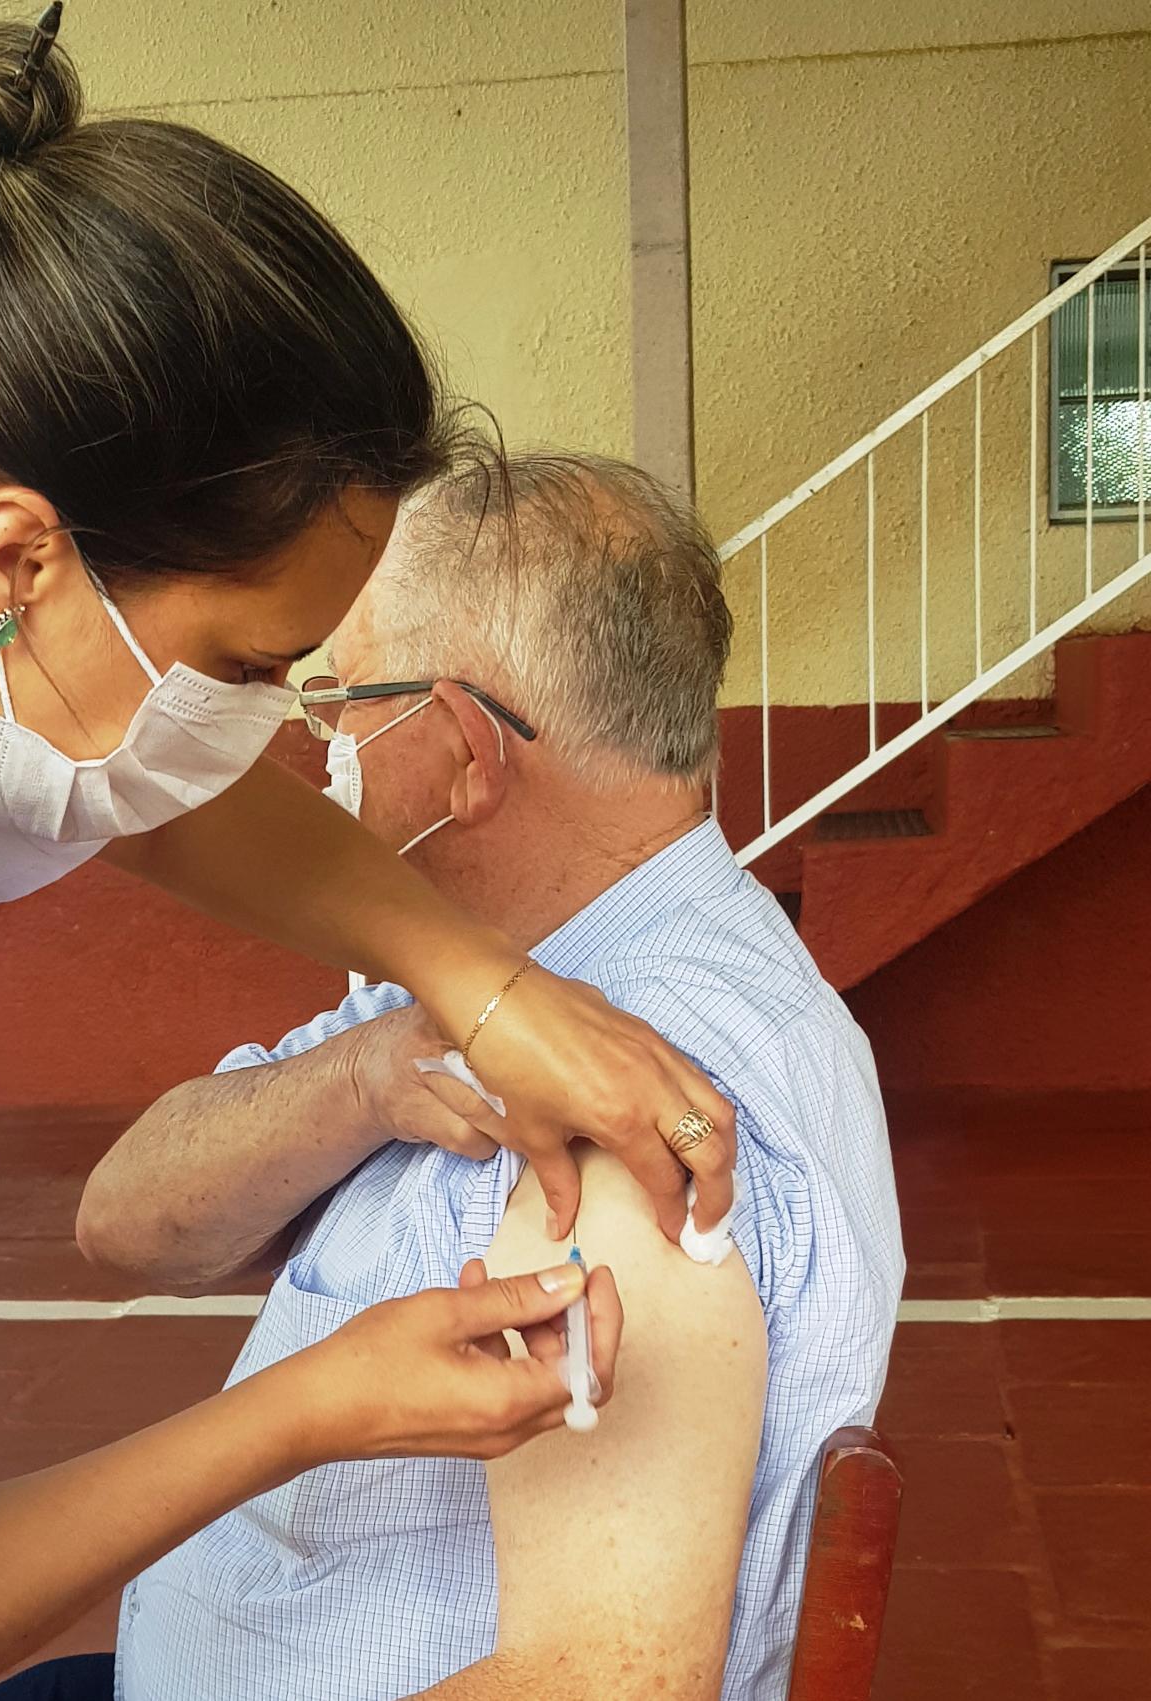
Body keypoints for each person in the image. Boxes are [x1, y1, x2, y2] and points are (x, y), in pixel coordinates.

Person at [0, 10, 757, 1699]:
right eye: (244, 665)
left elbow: (144, 774)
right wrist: (313, 1406)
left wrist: (487, 985)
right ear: (14, 561)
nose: (259, 728)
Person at [81, 454, 906, 1701]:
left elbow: (606, 1686)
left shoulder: (625, 1127)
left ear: (463, 747)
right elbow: (123, 1224)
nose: (324, 749)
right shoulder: (481, 980)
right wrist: (366, 1076)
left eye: (337, 703)